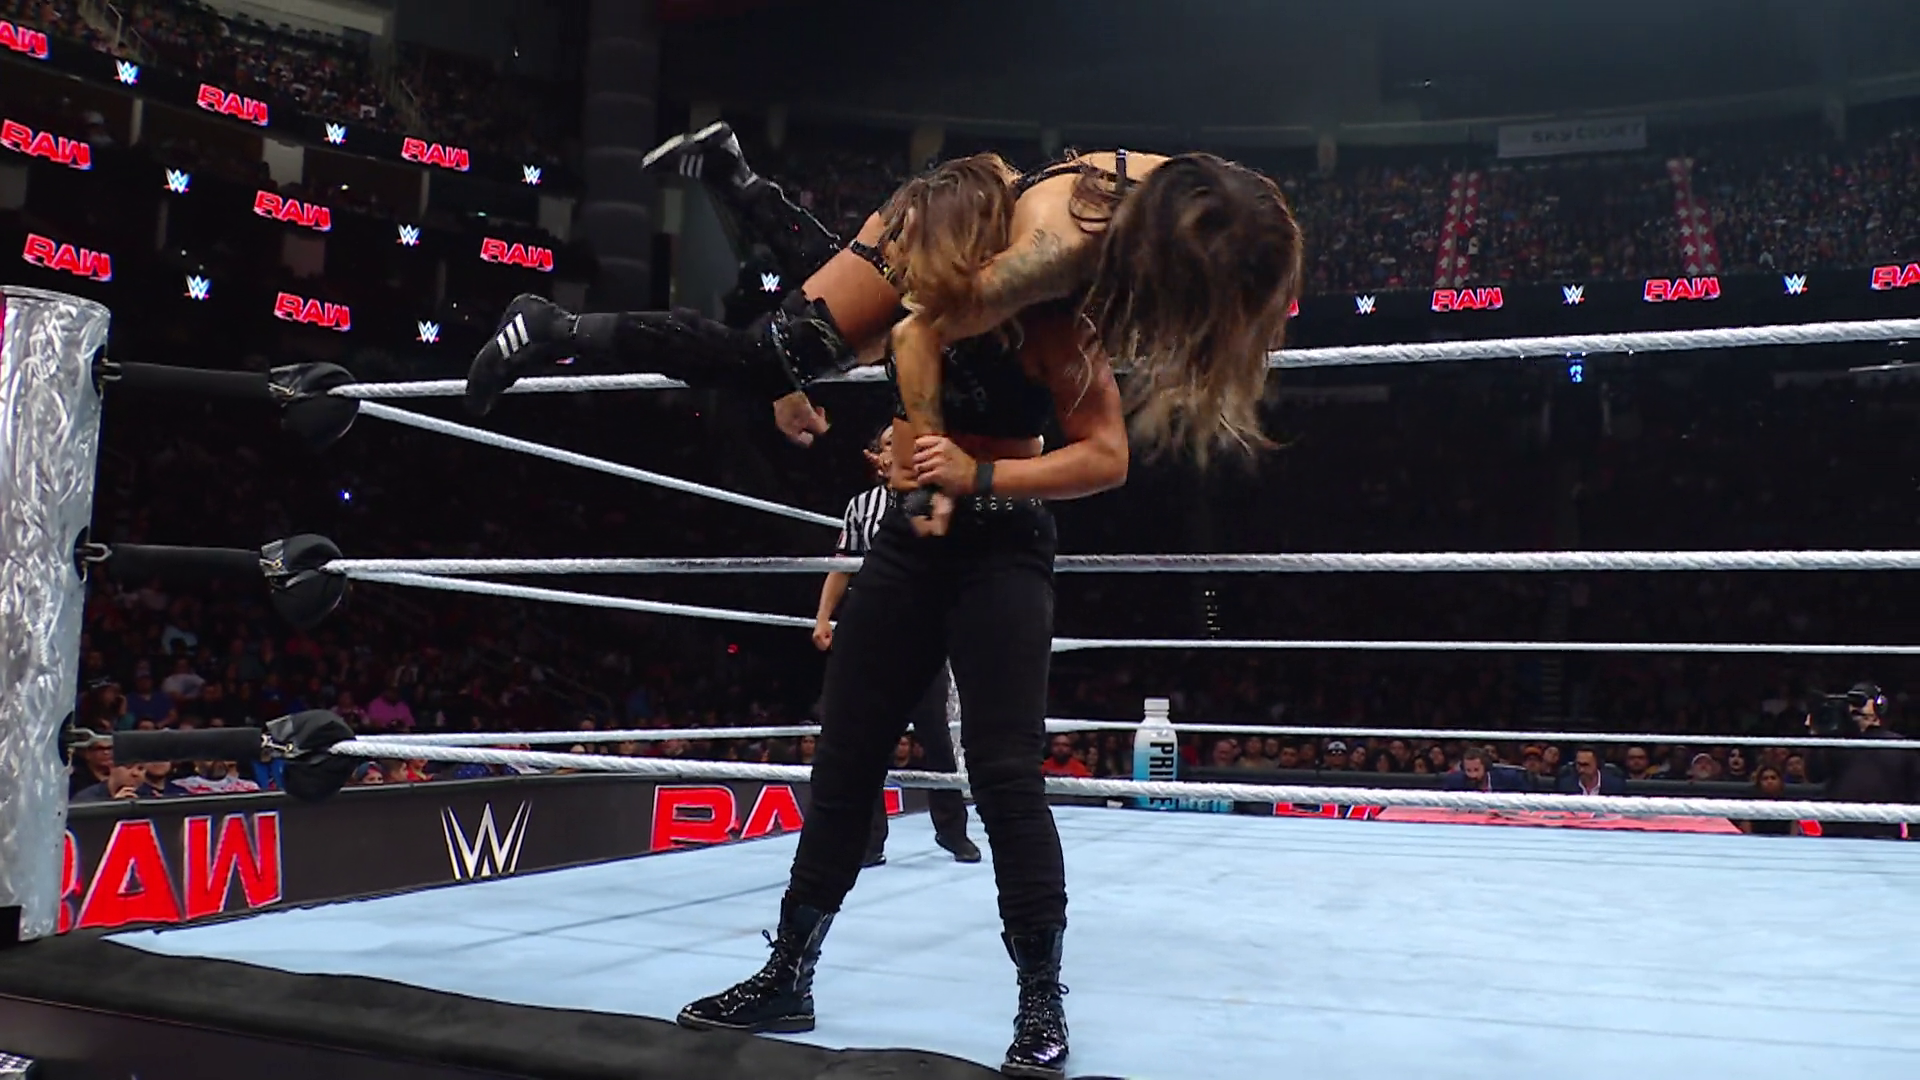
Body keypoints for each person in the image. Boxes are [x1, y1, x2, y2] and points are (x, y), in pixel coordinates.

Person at [464, 123, 1303, 494]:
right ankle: (553, 325)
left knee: (829, 329)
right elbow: (919, 330)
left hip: (986, 215)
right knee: (770, 361)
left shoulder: (1198, 191)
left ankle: (733, 175)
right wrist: (921, 453)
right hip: (954, 228)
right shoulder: (1059, 256)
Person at [816, 422, 981, 867]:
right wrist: (823, 617)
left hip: (924, 629)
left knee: (936, 739)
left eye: (903, 442)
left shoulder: (933, 498)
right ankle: (869, 841)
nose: (897, 448)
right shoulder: (860, 506)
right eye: (890, 443)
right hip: (870, 630)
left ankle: (953, 831)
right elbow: (842, 564)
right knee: (865, 738)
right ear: (877, 456)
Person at [1804, 682, 1920, 839]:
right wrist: (1816, 735)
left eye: (1860, 701)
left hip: (1884, 832)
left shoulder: (1900, 746)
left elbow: (1915, 793)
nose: (1855, 707)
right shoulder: (1839, 743)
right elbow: (1814, 775)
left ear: (1878, 705)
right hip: (1838, 832)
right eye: (1851, 703)